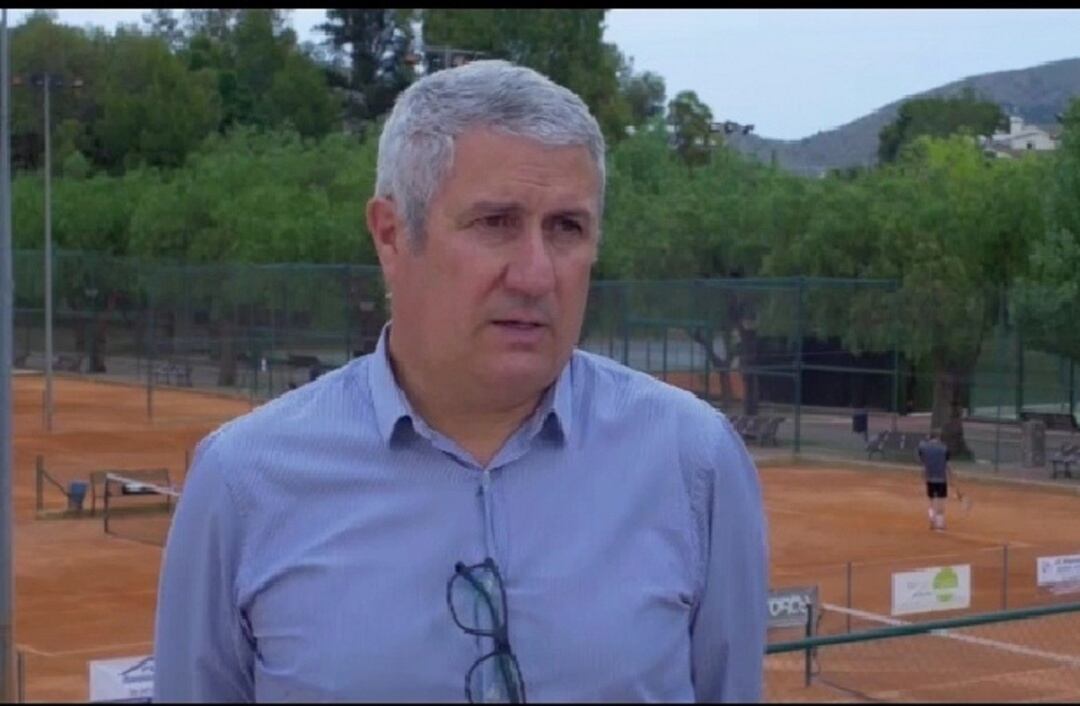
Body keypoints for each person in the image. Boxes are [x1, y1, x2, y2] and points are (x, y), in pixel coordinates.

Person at [153, 59, 768, 703]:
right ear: (391, 235)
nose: (536, 275)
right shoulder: (242, 483)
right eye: (495, 223)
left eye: (567, 228)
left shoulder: (694, 462)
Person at [917, 430, 951, 531]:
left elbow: (923, 463)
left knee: (932, 501)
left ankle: (932, 520)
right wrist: (951, 477)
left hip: (929, 478)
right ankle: (940, 524)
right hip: (941, 479)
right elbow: (947, 465)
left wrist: (923, 478)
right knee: (940, 501)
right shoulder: (944, 448)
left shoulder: (924, 447)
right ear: (938, 437)